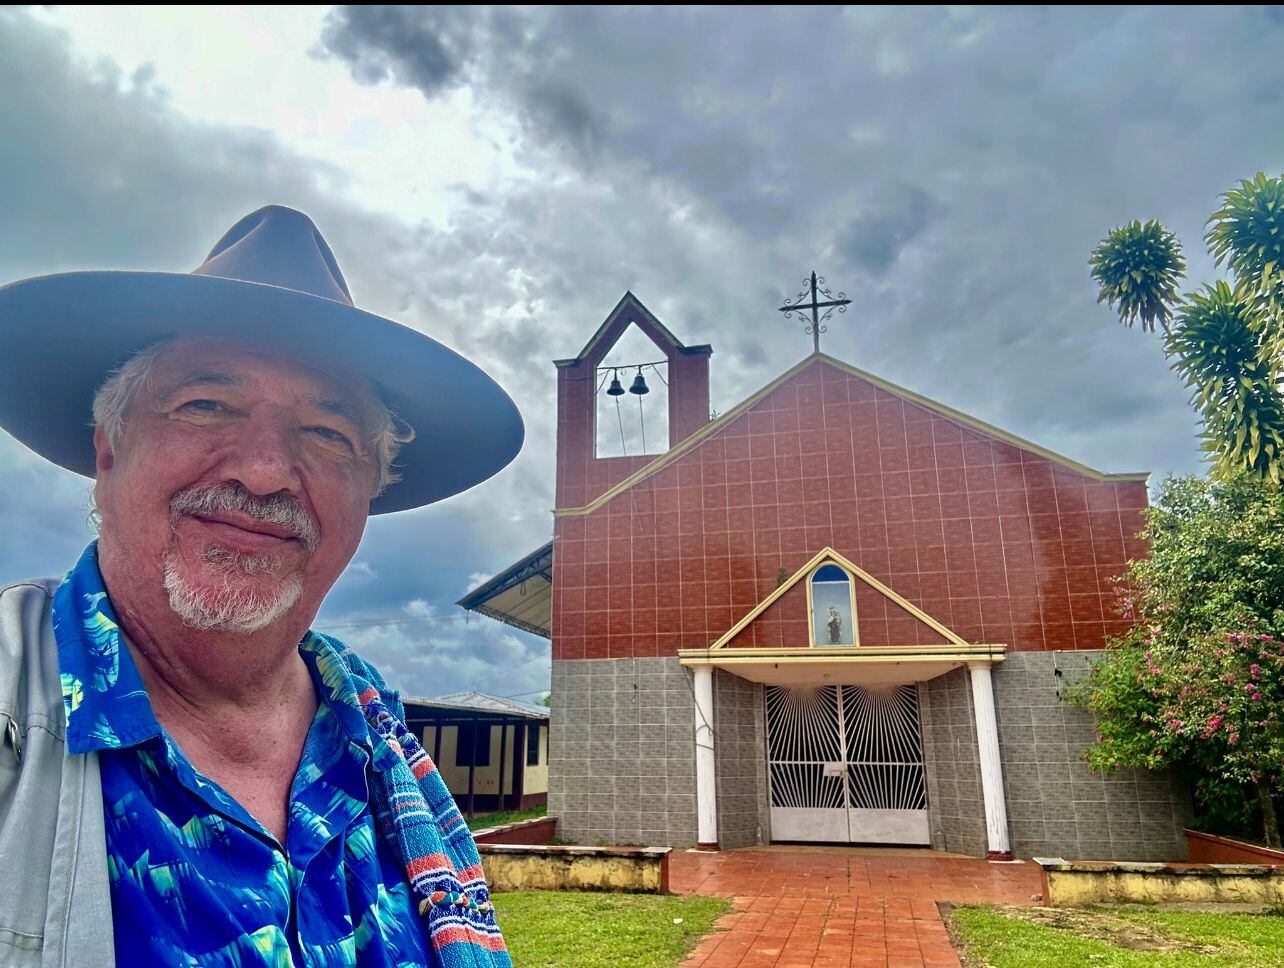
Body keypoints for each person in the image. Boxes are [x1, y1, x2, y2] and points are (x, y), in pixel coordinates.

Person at [0, 207, 524, 967]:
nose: (265, 470)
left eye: (328, 433)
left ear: (367, 493)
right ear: (109, 448)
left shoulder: (377, 733)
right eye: (207, 404)